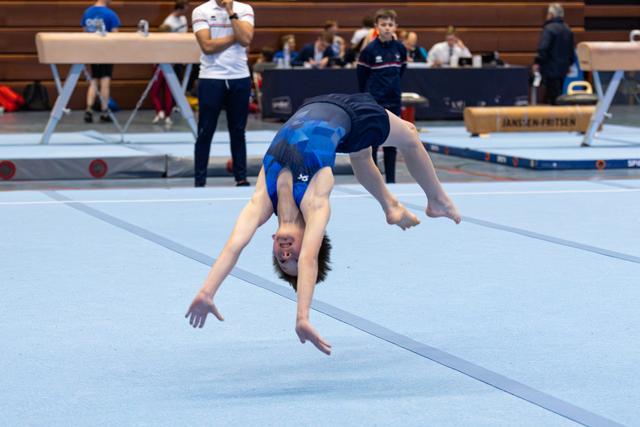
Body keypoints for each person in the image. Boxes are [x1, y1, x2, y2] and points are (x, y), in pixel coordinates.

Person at [185, 93, 461, 355]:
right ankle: (436, 200)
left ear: (272, 241)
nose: (286, 254)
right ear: (309, 244)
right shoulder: (315, 201)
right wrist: (302, 316)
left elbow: (234, 246)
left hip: (316, 106)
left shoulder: (262, 200)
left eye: (282, 260)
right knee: (408, 135)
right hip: (349, 116)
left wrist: (207, 292)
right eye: (291, 257)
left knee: (361, 154)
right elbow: (308, 260)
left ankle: (390, 206)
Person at [192, 0, 254, 187]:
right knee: (205, 131)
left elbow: (246, 40)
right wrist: (236, 35)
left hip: (239, 76)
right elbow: (207, 47)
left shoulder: (244, 9)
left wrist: (231, 13)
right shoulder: (201, 10)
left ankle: (241, 177)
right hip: (211, 77)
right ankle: (199, 179)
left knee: (238, 131)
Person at [357, 9, 407, 184]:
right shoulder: (369, 50)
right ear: (376, 27)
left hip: (394, 99)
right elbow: (361, 77)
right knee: (374, 141)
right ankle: (374, 181)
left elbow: (401, 71)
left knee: (392, 141)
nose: (387, 28)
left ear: (396, 27)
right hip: (375, 101)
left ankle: (391, 181)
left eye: (390, 25)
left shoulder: (400, 48)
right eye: (383, 25)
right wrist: (368, 99)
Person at [81, 0, 121, 124]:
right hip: (106, 52)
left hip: (92, 50)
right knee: (104, 81)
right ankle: (104, 112)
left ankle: (89, 110)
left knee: (93, 80)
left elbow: (84, 33)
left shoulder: (87, 13)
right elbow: (116, 36)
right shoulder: (111, 14)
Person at [151, 0, 189, 127]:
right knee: (168, 91)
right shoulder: (169, 22)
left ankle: (160, 112)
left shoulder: (157, 45)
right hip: (170, 65)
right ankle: (167, 115)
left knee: (157, 92)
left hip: (160, 68)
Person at [533, 3, 576, 105]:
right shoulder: (567, 29)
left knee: (552, 96)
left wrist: (537, 62)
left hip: (550, 68)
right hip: (563, 68)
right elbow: (571, 50)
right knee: (559, 93)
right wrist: (570, 64)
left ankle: (555, 116)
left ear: (551, 15)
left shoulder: (549, 29)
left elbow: (543, 48)